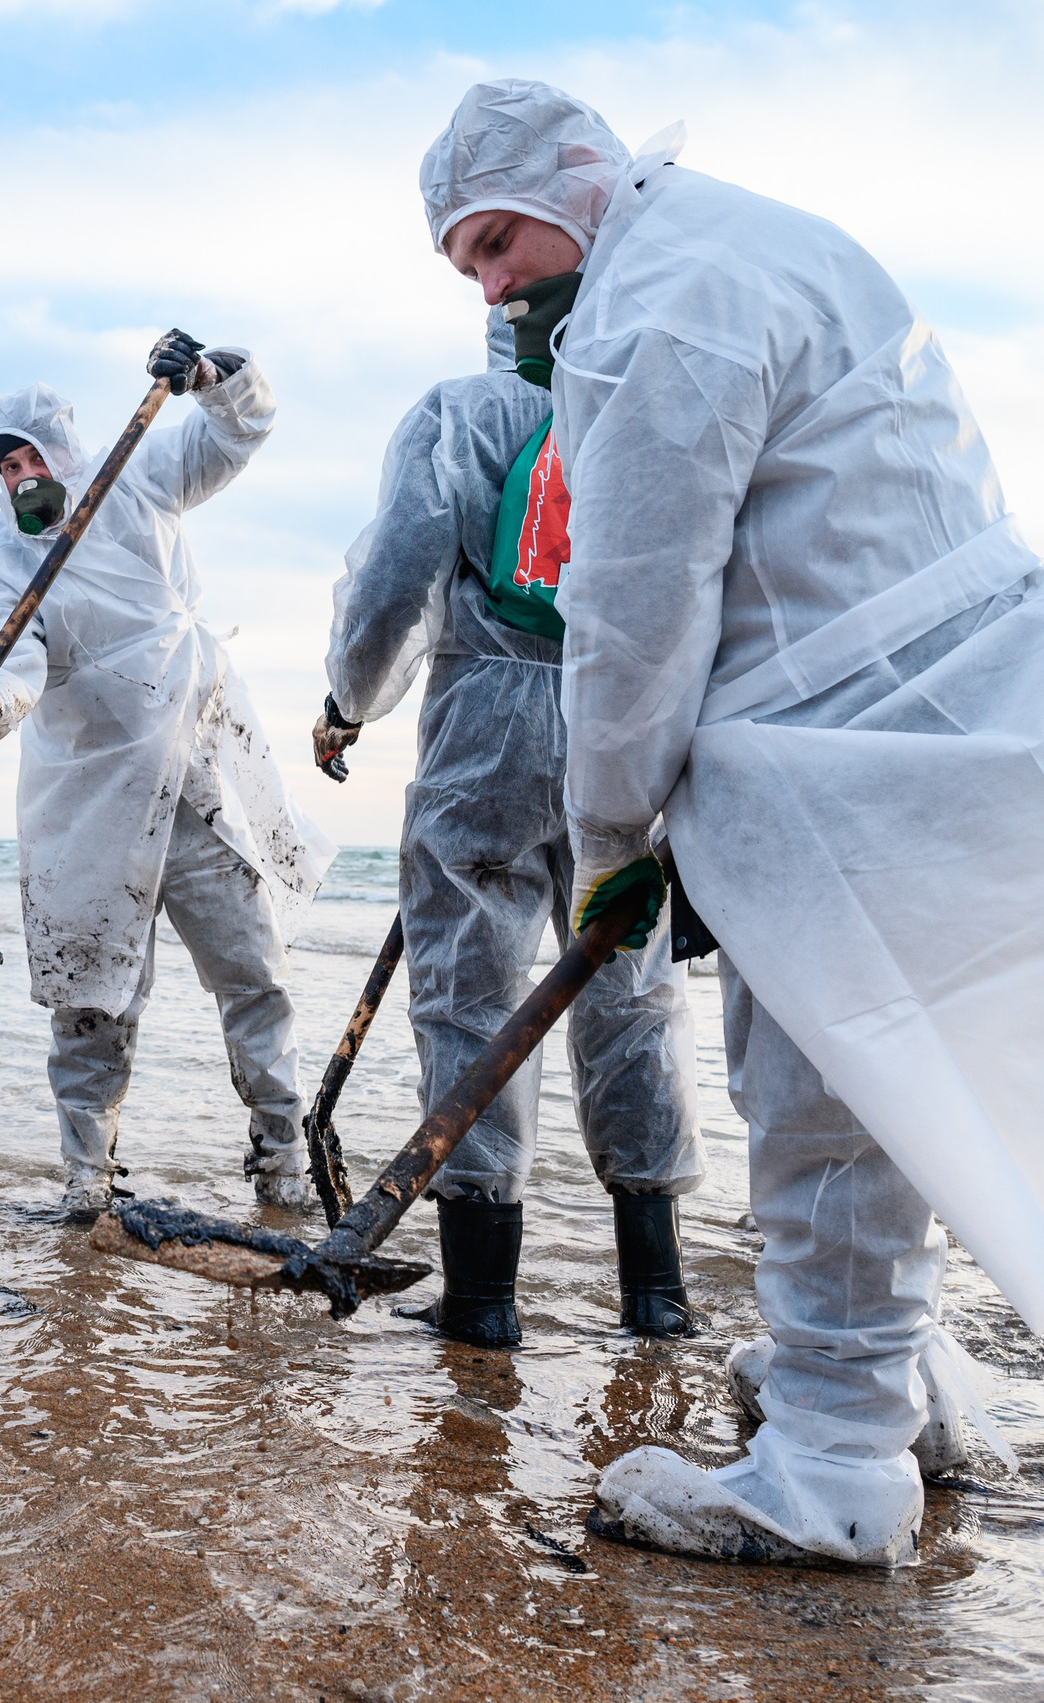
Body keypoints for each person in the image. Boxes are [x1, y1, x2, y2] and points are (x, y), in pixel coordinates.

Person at [415, 80, 1044, 1566]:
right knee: (908, 1068)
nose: (497, 286)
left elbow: (636, 615)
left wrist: (615, 837)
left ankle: (834, 1460)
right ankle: (899, 1382)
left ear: (581, 176)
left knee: (818, 1099)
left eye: (498, 242)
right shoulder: (763, 243)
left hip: (840, 747)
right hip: (972, 711)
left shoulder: (656, 318)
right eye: (469, 270)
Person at [321, 295, 702, 1348]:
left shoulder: (458, 414)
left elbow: (395, 579)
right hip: (617, 720)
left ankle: (484, 1300)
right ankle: (655, 1290)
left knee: (467, 1000)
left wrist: (349, 702)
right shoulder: (644, 418)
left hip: (484, 724)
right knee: (631, 993)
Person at [0, 333, 334, 1216]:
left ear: (65, 450)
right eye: (5, 465)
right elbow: (11, 665)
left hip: (196, 779)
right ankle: (87, 1180)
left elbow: (236, 433)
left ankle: (282, 1162)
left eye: (32, 456)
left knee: (252, 973)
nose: (19, 476)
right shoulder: (4, 562)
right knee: (89, 995)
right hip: (88, 801)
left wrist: (214, 376)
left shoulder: (139, 478)